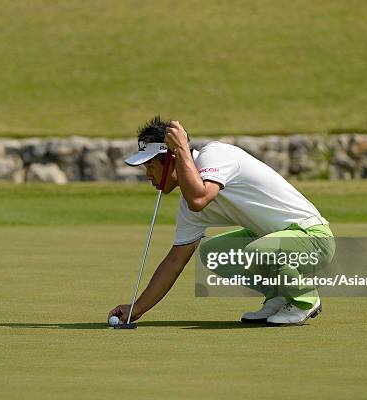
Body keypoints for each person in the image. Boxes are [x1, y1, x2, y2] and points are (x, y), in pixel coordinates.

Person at [108, 117, 335, 326]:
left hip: (314, 239)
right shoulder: (188, 205)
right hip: (276, 241)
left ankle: (304, 298)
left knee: (260, 250)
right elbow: (175, 261)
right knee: (213, 252)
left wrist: (181, 149)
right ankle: (278, 296)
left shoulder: (214, 155)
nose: (148, 175)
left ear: (171, 160)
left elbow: (200, 198)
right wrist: (137, 308)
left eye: (150, 166)